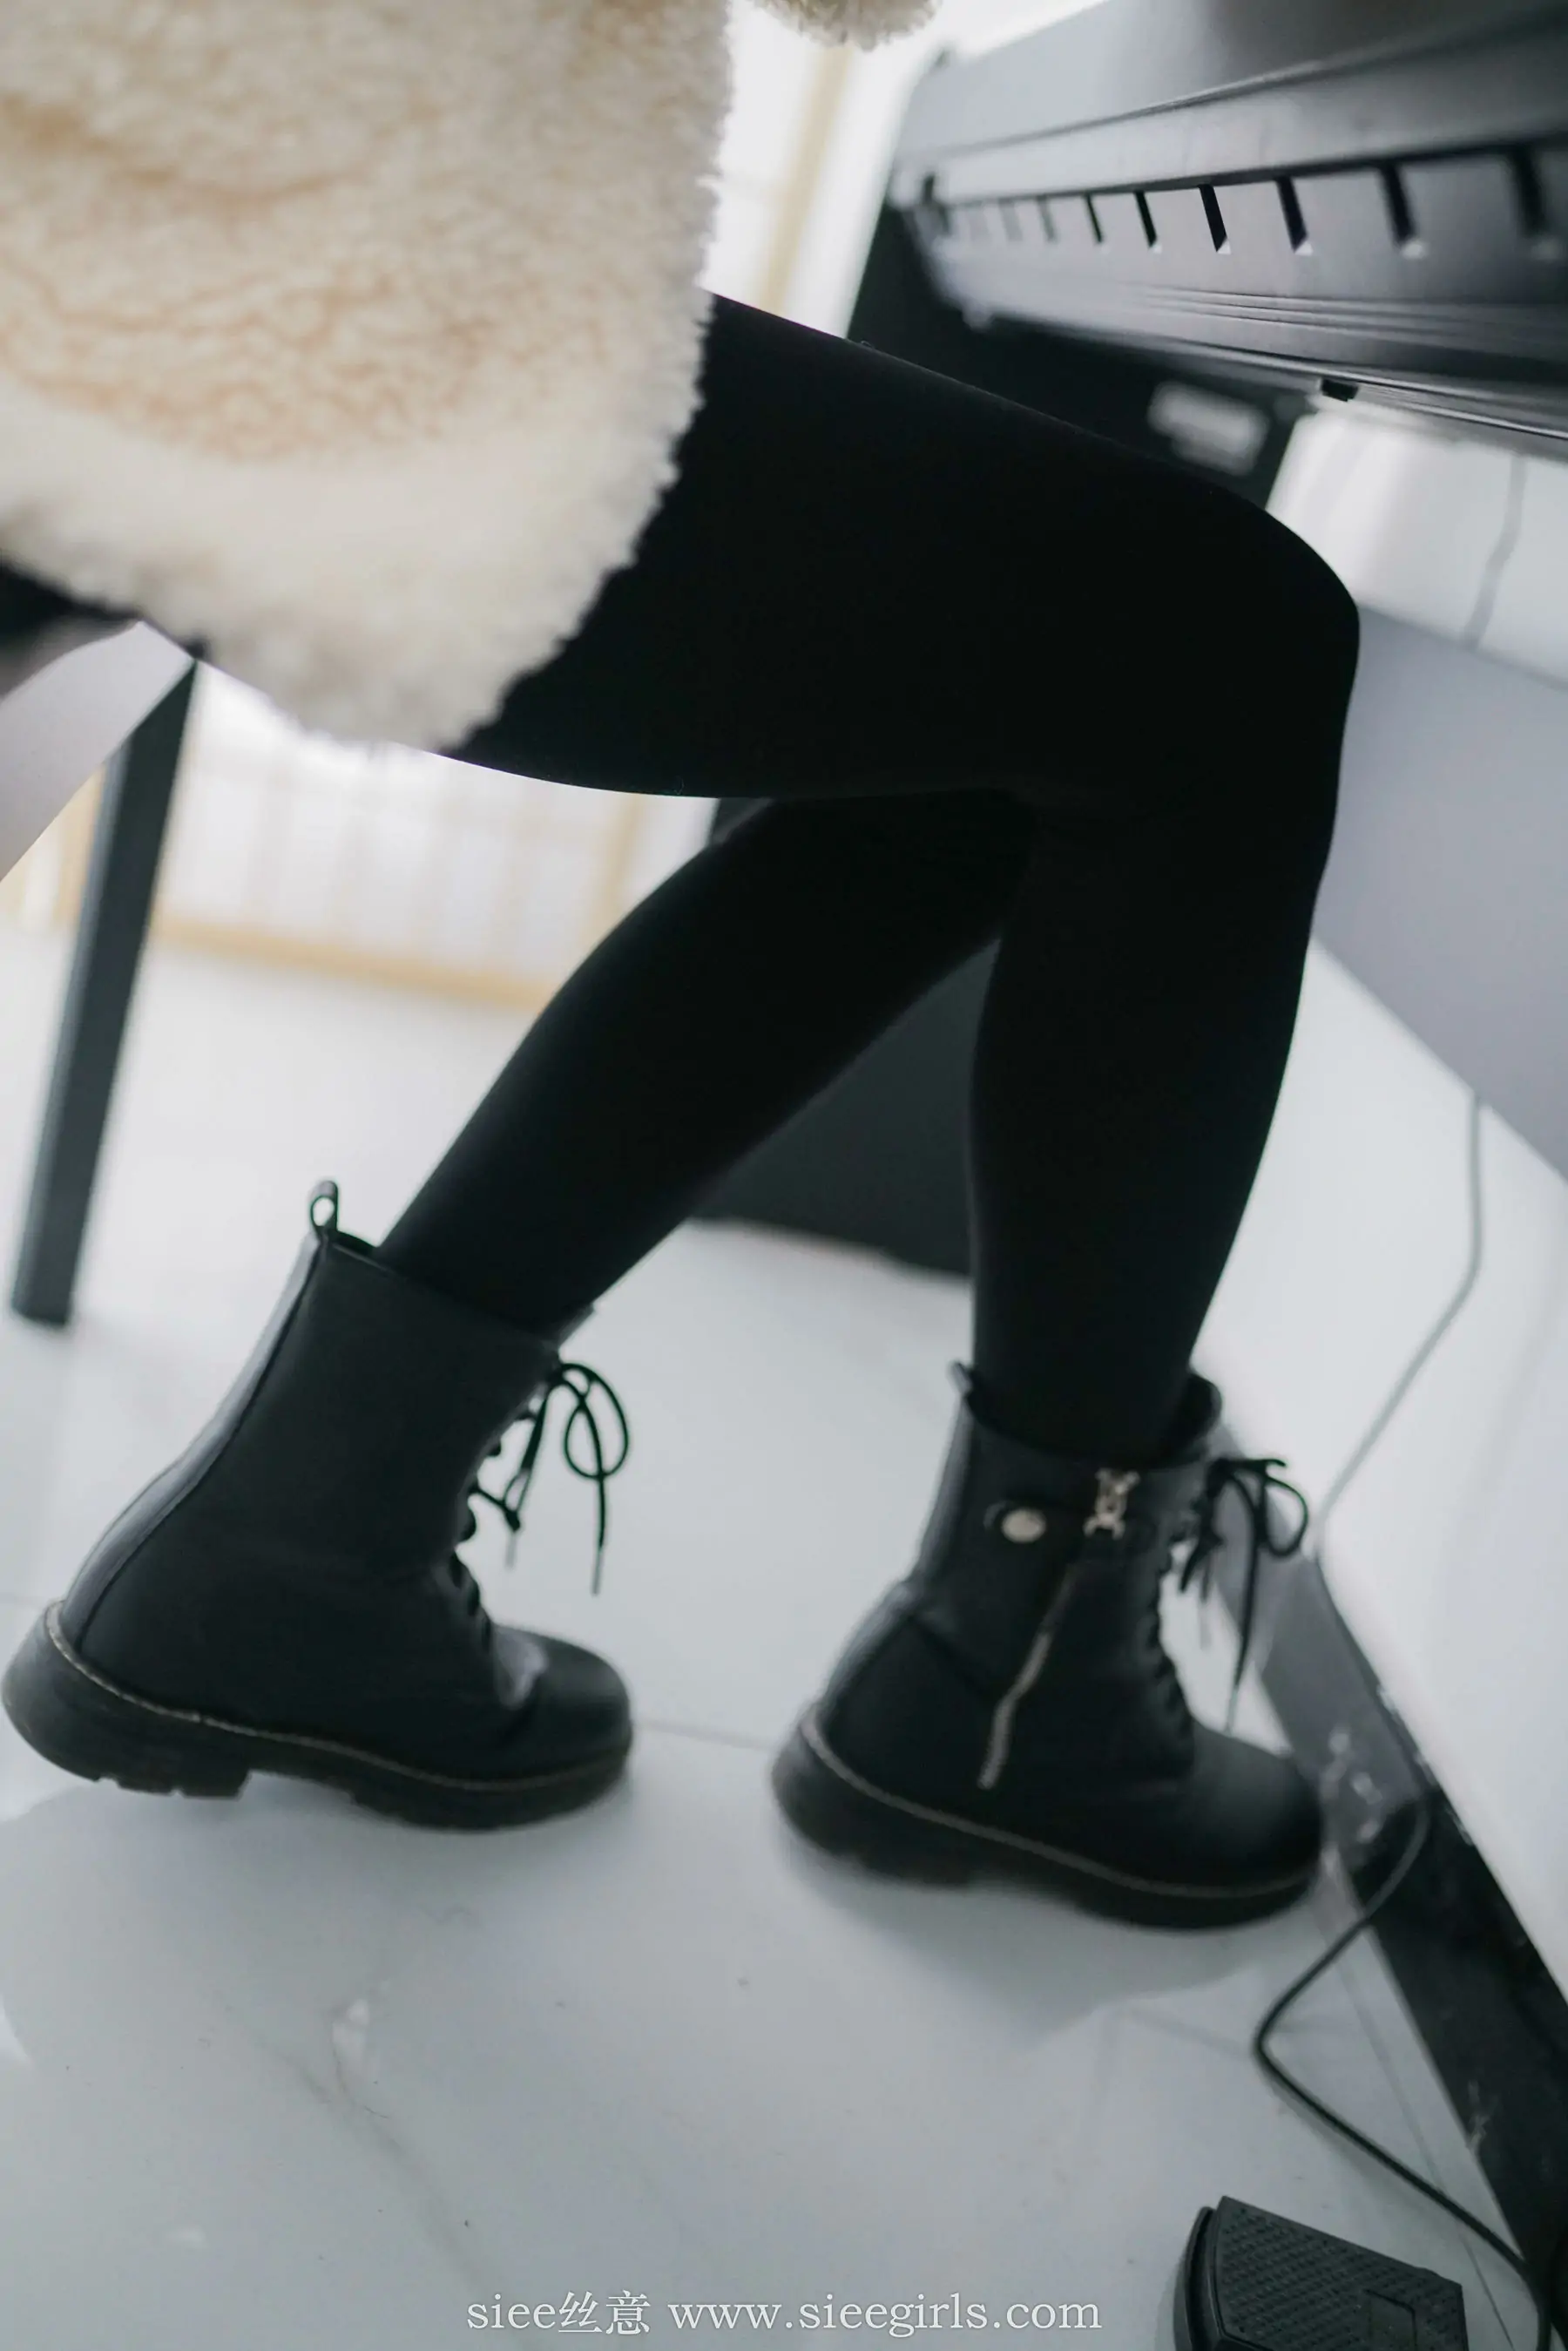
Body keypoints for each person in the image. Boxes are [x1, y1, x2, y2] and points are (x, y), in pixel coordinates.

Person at [1, 294, 1358, 1930]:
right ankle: (1020, 1690)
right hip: (194, 306)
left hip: (161, 289)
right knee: (1223, 650)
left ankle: (307, 1540)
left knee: (1062, 686)